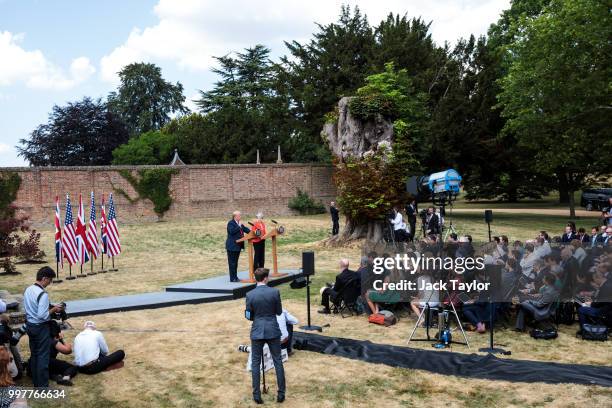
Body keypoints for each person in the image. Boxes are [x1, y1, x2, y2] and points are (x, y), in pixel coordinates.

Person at [245, 268, 285, 404]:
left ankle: (256, 395)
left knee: (255, 363)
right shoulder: (274, 292)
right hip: (272, 330)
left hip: (257, 330)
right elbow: (279, 312)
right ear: (266, 278)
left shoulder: (250, 294)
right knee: (277, 361)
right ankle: (281, 394)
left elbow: (248, 316)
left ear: (256, 278)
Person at [23, 266, 63, 388]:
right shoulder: (43, 294)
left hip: (30, 326)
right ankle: (43, 387)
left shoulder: (28, 290)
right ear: (44, 278)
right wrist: (54, 309)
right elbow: (42, 315)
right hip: (40, 328)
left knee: (34, 355)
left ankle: (36, 382)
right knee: (43, 358)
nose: (49, 283)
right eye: (49, 281)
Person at [48, 320, 77, 386]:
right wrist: (62, 340)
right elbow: (68, 351)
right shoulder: (53, 341)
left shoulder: (40, 338)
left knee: (50, 369)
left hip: (33, 365)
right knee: (72, 367)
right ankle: (65, 378)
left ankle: (55, 376)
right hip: (48, 361)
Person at [226, 210, 251, 282]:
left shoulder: (239, 224)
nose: (240, 216)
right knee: (232, 263)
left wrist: (253, 231)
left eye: (240, 215)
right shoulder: (230, 223)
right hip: (232, 246)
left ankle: (235, 277)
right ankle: (232, 278)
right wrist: (239, 226)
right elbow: (231, 231)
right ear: (235, 216)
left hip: (238, 246)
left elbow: (246, 230)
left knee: (235, 263)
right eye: (239, 215)